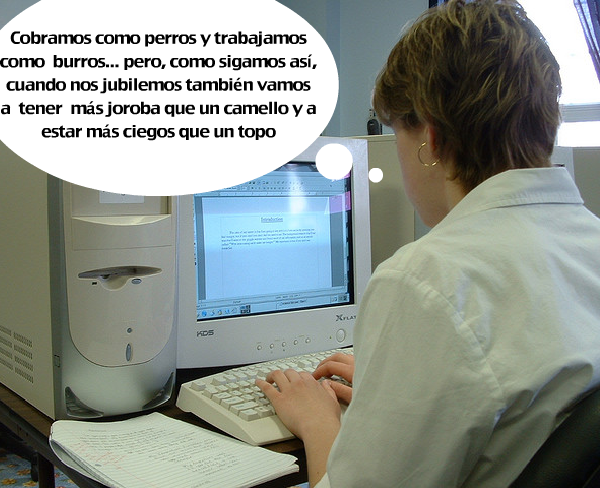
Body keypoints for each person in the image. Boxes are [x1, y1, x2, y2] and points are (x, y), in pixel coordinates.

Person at [256, 0, 600, 486]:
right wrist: (394, 385)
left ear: (431, 140)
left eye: (398, 134)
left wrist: (317, 420)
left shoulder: (426, 281)